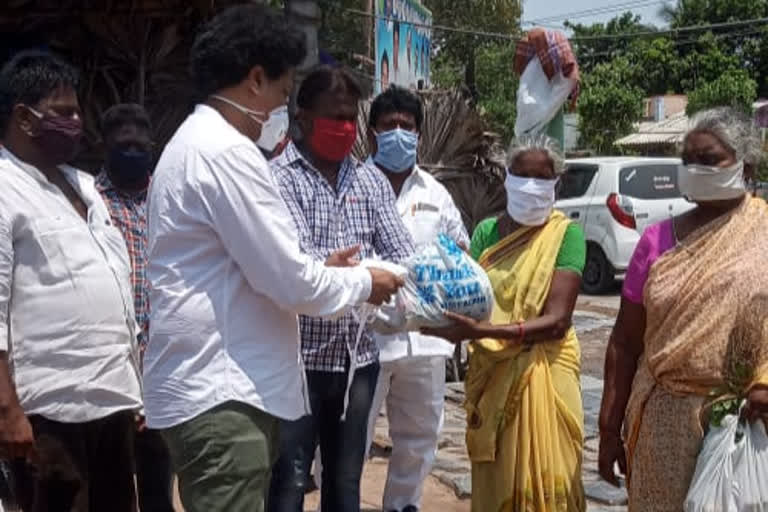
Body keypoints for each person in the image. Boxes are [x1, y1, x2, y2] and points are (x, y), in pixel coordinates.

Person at [143, 6, 405, 512]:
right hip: (225, 397)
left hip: (217, 391)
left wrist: (324, 271)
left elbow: (254, 267)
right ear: (256, 79)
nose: (279, 109)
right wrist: (363, 283)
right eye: (283, 93)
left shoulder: (192, 144)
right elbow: (291, 282)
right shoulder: (226, 154)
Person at [598, 106, 768, 511]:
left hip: (745, 422)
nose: (694, 169)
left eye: (708, 160)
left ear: (744, 164)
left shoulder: (763, 231)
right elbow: (624, 342)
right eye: (686, 161)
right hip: (662, 423)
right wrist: (608, 430)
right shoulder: (656, 241)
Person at [0, 51, 142, 512]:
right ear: (24, 117)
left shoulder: (84, 186)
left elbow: (119, 287)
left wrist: (135, 383)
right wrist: (7, 409)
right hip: (48, 410)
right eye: (64, 113)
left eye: (78, 112)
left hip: (112, 398)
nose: (78, 122)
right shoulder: (4, 189)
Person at [268, 67, 415, 512]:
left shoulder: (369, 180)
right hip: (296, 360)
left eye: (352, 118)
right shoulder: (278, 179)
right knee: (289, 481)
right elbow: (294, 265)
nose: (346, 127)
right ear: (304, 117)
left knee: (346, 482)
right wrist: (359, 277)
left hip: (357, 360)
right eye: (335, 117)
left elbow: (402, 252)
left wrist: (343, 273)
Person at [425, 134, 586, 512]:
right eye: (522, 175)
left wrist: (483, 332)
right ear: (506, 179)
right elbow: (469, 295)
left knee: (552, 479)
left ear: (556, 184)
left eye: (541, 177)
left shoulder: (567, 235)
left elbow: (557, 321)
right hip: (492, 372)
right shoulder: (487, 233)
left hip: (546, 368)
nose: (531, 185)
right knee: (497, 481)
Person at [364, 86, 469, 512]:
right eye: (389, 126)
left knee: (420, 436)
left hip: (424, 338)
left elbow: (459, 250)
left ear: (419, 134)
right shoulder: (353, 186)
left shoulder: (436, 194)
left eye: (406, 126)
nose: (398, 134)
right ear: (372, 132)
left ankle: (403, 506)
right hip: (365, 338)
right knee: (352, 439)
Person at [95, 103, 175, 512]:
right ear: (105, 146)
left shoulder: (168, 196)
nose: (131, 151)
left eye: (138, 144)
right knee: (112, 484)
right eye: (122, 144)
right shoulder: (89, 201)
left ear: (151, 146)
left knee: (159, 479)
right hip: (111, 361)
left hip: (161, 361)